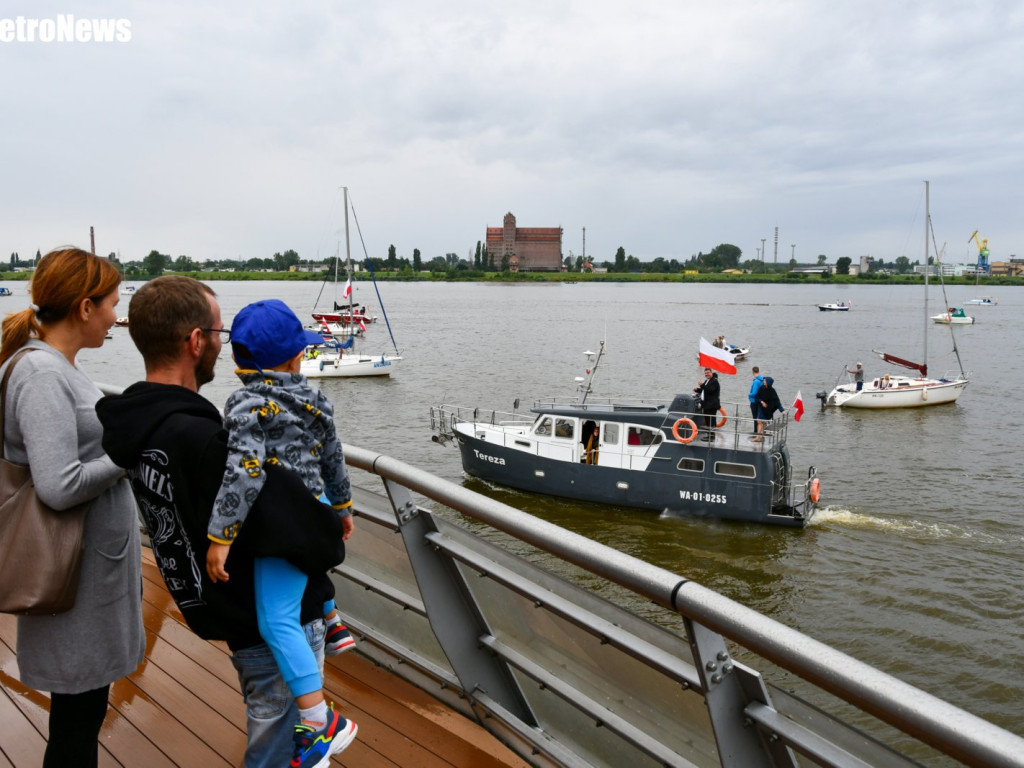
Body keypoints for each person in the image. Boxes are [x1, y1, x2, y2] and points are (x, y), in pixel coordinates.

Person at [95, 276, 352, 768]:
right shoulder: (202, 438)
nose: (224, 342)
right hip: (269, 629)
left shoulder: (144, 424)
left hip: (227, 616)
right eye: (219, 332)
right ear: (195, 342)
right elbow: (300, 530)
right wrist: (333, 527)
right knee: (280, 758)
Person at [0, 247, 145, 768]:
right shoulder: (42, 376)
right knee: (76, 728)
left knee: (82, 717)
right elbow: (59, 486)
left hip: (86, 576)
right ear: (84, 308)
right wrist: (129, 453)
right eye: (111, 302)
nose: (116, 315)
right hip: (71, 581)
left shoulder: (58, 366)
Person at [205, 299, 358, 760]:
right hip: (317, 516)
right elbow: (334, 459)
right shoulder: (315, 400)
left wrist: (220, 536)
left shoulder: (247, 404)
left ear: (237, 360)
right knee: (306, 577)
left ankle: (319, 720)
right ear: (297, 358)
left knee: (276, 620)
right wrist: (344, 507)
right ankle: (331, 619)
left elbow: (245, 472)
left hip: (282, 527)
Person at [692, 367, 720, 441]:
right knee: (708, 421)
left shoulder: (714, 381)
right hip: (706, 405)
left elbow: (710, 390)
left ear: (711, 373)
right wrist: (697, 389)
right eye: (705, 373)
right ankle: (709, 435)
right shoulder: (707, 381)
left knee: (711, 421)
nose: (706, 374)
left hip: (711, 405)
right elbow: (704, 390)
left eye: (708, 373)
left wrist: (702, 385)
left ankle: (712, 437)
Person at [753, 376, 785, 441]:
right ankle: (757, 437)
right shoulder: (761, 388)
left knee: (764, 422)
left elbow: (777, 401)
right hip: (761, 408)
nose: (763, 381)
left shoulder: (772, 391)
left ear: (768, 383)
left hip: (768, 409)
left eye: (765, 381)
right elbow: (757, 397)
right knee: (759, 421)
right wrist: (761, 402)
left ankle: (762, 436)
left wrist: (782, 410)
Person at [748, 366, 764, 433]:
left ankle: (755, 432)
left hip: (754, 402)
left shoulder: (756, 381)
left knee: (755, 418)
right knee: (759, 418)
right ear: (758, 371)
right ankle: (760, 432)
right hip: (760, 401)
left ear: (753, 372)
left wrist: (749, 394)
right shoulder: (762, 380)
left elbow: (754, 393)